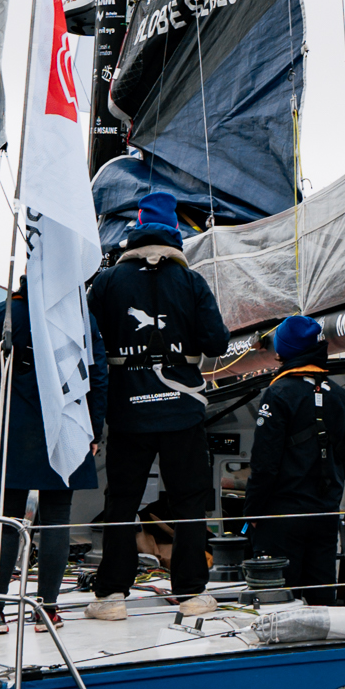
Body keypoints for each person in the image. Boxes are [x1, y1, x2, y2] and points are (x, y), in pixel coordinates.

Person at [85, 194, 228, 620]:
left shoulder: (107, 282)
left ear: (135, 231)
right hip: (182, 409)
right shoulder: (192, 282)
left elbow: (88, 341)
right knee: (188, 501)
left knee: (122, 501)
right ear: (175, 235)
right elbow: (217, 343)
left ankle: (111, 595)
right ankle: (191, 592)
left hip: (128, 409)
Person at [0, 284, 93, 607]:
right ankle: (47, 608)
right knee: (56, 519)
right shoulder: (79, 313)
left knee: (7, 519)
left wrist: (9, 386)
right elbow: (98, 372)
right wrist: (96, 429)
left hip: (15, 421)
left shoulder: (7, 312)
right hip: (66, 423)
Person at [242, 315, 345, 606]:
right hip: (324, 515)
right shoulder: (340, 395)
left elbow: (264, 464)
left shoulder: (277, 394)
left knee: (279, 600)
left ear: (284, 350)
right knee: (321, 600)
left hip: (283, 516)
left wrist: (252, 512)